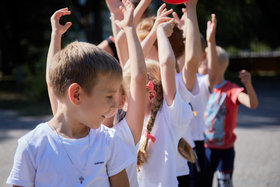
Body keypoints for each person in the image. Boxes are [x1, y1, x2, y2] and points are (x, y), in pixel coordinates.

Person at [6, 8, 135, 187]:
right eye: (108, 96)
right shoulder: (32, 146)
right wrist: (56, 36)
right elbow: (53, 81)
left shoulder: (109, 142)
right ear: (76, 95)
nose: (116, 104)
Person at [136, 1, 202, 186]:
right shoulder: (135, 89)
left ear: (164, 48)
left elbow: (192, 59)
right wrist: (155, 31)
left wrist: (191, 9)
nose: (142, 48)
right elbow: (132, 62)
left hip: (176, 174)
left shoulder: (177, 88)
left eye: (148, 44)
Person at [204, 45, 259, 187]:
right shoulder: (201, 88)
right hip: (205, 149)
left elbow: (252, 104)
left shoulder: (231, 90)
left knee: (225, 184)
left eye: (202, 63)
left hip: (225, 151)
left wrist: (249, 86)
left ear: (212, 66)